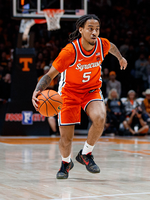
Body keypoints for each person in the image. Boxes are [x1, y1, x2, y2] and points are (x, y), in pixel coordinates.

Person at [31, 14, 127, 179]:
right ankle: (66, 162)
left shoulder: (101, 44)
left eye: (97, 29)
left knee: (100, 117)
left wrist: (120, 57)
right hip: (69, 93)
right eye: (90, 29)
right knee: (66, 138)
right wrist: (37, 90)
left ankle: (86, 153)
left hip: (91, 90)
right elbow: (50, 74)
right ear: (81, 30)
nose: (94, 32)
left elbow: (111, 46)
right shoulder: (69, 51)